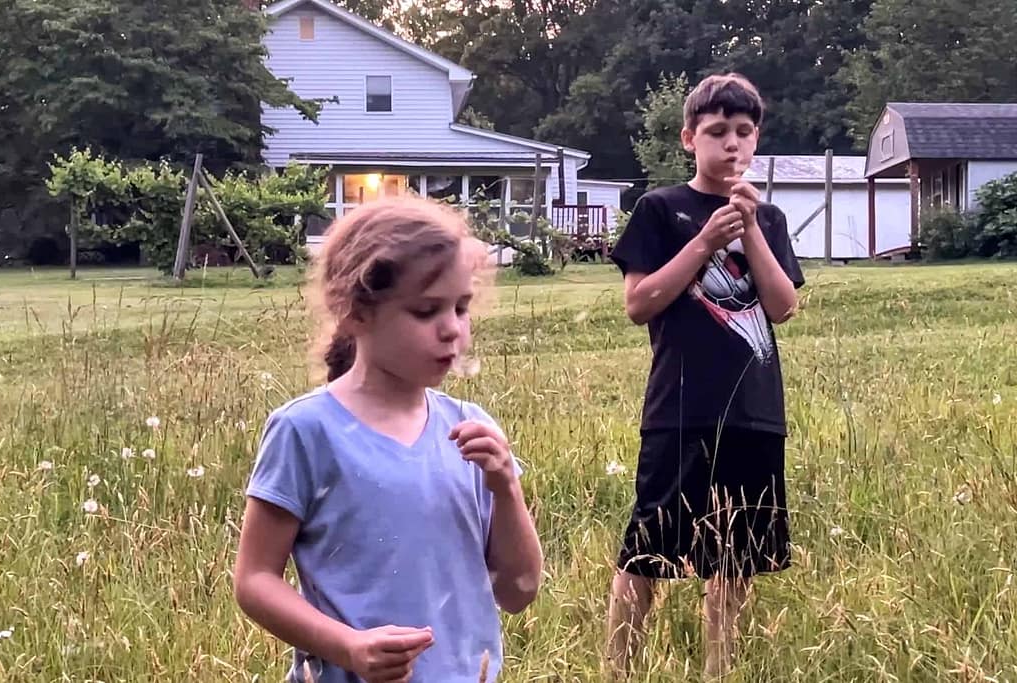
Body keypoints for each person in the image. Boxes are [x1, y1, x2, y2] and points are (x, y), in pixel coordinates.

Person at [233, 195, 543, 683]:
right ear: (356, 312)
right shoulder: (307, 430)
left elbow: (518, 592)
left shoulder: (471, 430)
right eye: (426, 311)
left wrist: (506, 486)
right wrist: (348, 647)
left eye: (461, 308)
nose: (452, 330)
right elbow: (254, 580)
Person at [605, 72, 806, 679]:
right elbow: (639, 304)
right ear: (689, 138)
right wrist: (703, 244)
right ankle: (619, 669)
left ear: (756, 140)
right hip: (680, 409)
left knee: (736, 554)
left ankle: (721, 668)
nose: (732, 144)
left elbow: (782, 307)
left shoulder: (767, 218)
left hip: (754, 412)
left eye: (744, 132)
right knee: (648, 547)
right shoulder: (660, 210)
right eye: (717, 131)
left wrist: (749, 229)